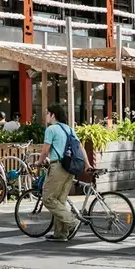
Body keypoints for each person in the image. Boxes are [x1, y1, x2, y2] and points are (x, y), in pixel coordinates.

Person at [36, 103, 92, 242]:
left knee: (48, 198)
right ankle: (61, 234)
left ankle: (72, 221)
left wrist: (38, 162)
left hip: (58, 167)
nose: (46, 116)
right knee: (60, 201)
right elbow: (80, 148)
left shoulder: (51, 129)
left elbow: (45, 150)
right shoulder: (69, 129)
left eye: (47, 113)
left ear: (53, 114)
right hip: (70, 168)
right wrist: (87, 164)